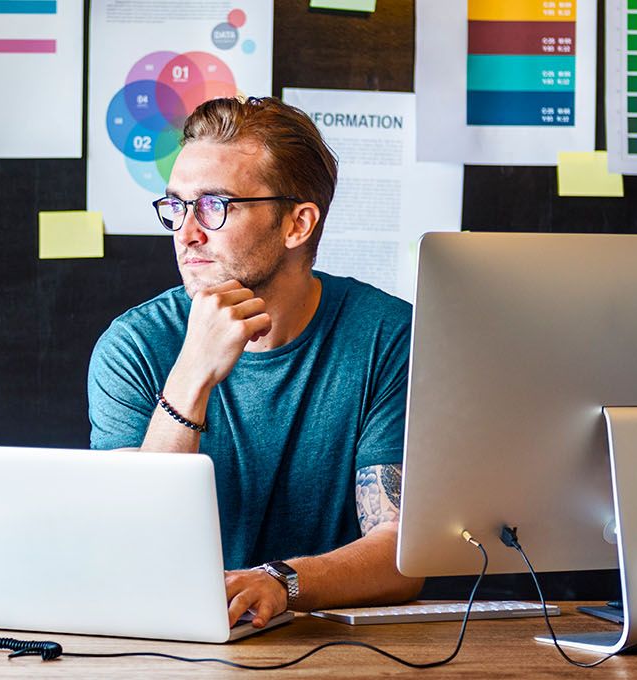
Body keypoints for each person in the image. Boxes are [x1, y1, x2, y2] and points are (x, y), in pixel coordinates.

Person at [87, 96, 423, 629]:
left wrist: (280, 582)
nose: (186, 232)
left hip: (340, 647)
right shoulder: (134, 345)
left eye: (215, 205)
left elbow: (402, 553)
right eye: (176, 206)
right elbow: (129, 546)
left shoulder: (389, 337)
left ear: (297, 224)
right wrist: (191, 374)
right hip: (168, 641)